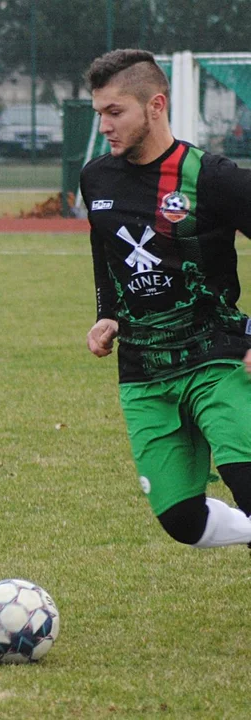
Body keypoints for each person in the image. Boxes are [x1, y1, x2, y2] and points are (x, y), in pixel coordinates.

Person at [82, 48, 251, 551]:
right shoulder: (96, 177)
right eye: (99, 114)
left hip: (215, 355)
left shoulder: (213, 176)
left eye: (116, 112)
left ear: (156, 105)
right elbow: (103, 243)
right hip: (143, 370)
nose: (105, 126)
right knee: (183, 521)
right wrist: (106, 312)